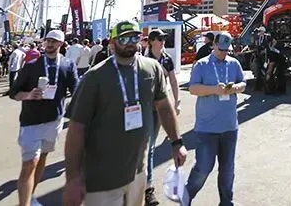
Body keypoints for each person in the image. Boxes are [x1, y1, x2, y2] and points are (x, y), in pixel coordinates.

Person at [63, 21, 186, 206]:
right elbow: (76, 128)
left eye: (134, 38)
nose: (130, 43)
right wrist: (73, 178)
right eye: (124, 39)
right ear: (113, 43)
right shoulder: (94, 77)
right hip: (102, 179)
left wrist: (177, 142)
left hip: (138, 172)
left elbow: (164, 107)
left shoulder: (152, 68)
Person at [9, 30, 78, 206]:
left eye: (54, 41)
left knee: (42, 158)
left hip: (54, 121)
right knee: (29, 163)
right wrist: (28, 95)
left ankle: (30, 195)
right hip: (31, 122)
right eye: (48, 40)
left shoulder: (68, 65)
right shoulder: (32, 65)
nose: (50, 44)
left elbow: (76, 91)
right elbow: (14, 93)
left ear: (61, 44)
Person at [186, 32, 246, 206]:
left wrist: (235, 88)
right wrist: (214, 89)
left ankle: (226, 202)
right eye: (221, 50)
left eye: (227, 50)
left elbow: (243, 83)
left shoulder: (233, 63)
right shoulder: (202, 65)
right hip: (207, 128)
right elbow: (193, 89)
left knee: (228, 169)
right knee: (204, 168)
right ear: (213, 45)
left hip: (229, 127)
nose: (224, 53)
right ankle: (186, 196)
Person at [143, 29, 182, 206]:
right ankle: (145, 187)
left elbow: (173, 80)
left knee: (150, 146)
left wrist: (177, 101)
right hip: (144, 108)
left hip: (160, 108)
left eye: (164, 38)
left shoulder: (167, 59)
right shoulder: (143, 59)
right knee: (147, 147)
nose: (163, 41)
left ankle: (146, 187)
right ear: (151, 41)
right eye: (159, 38)